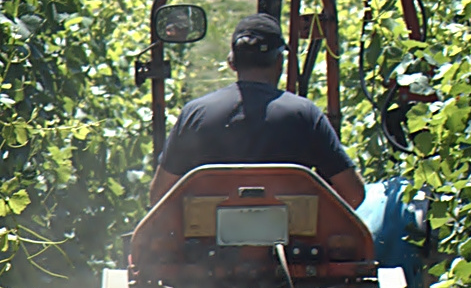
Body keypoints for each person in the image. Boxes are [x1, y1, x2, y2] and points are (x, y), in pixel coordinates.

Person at [149, 13, 367, 208]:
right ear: (280, 62)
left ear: (232, 63)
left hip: (206, 250)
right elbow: (354, 194)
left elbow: (159, 195)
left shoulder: (195, 114)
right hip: (295, 247)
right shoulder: (305, 114)